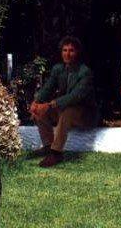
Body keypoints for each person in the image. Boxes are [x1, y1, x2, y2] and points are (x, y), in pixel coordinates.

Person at [30, 35, 97, 167]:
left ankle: (56, 153)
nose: (67, 54)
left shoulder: (85, 72)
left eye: (71, 50)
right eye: (64, 50)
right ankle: (48, 146)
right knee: (39, 111)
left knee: (67, 112)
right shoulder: (58, 69)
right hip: (63, 109)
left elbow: (74, 96)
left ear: (77, 52)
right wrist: (36, 102)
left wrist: (50, 105)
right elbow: (48, 87)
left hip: (85, 114)